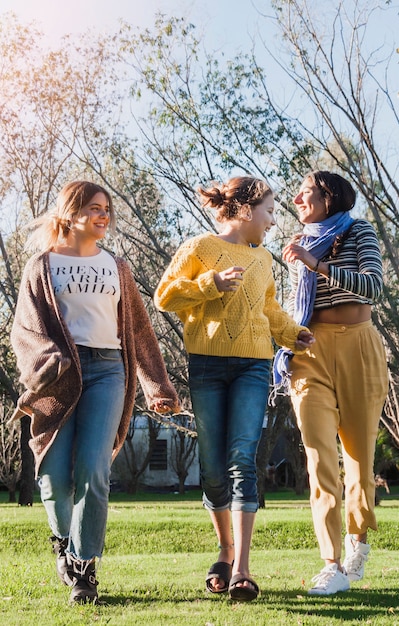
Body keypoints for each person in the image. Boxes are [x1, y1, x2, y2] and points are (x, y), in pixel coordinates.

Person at [10, 181, 180, 605]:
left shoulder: (117, 267)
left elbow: (139, 331)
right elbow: (24, 329)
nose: (104, 215)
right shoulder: (41, 265)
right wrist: (49, 359)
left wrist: (157, 384)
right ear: (70, 212)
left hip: (108, 370)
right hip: (61, 376)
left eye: (107, 209)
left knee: (93, 468)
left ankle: (84, 570)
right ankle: (63, 544)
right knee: (52, 475)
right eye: (94, 208)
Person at [154, 176, 315, 601]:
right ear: (245, 210)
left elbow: (269, 310)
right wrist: (210, 284)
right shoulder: (200, 248)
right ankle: (225, 548)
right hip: (206, 365)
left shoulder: (262, 260)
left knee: (243, 457)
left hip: (254, 365)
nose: (273, 220)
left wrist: (292, 334)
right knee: (211, 467)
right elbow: (164, 297)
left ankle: (242, 568)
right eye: (269, 211)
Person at [274, 170, 388, 596]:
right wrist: (286, 337)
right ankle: (332, 563)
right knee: (319, 458)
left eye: (306, 192)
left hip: (359, 347)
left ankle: (358, 539)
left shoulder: (359, 232)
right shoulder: (298, 243)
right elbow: (293, 302)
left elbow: (372, 286)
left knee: (359, 458)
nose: (297, 198)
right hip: (311, 352)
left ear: (330, 197)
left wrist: (316, 264)